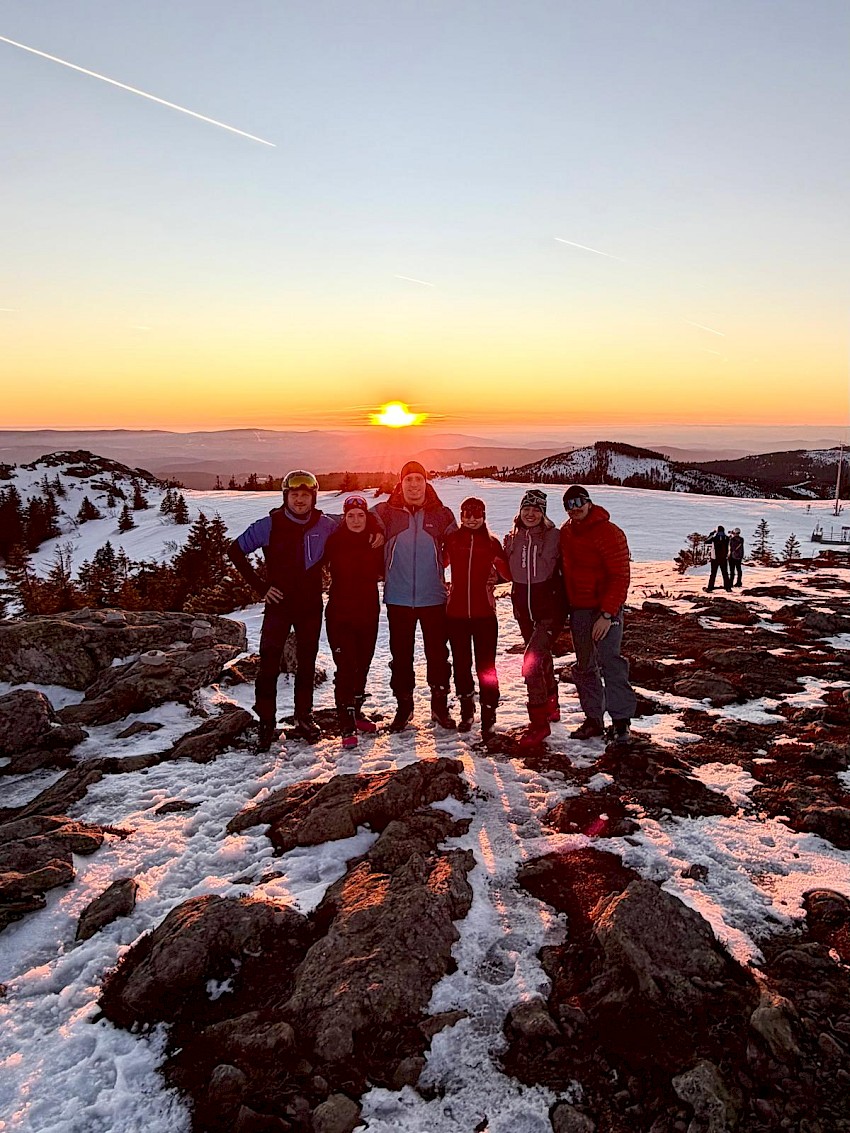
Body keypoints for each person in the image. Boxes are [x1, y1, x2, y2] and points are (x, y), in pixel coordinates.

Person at [227, 470, 355, 751]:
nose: (299, 500)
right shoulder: (269, 525)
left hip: (310, 604)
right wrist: (261, 589)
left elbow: (356, 525)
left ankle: (304, 717)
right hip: (279, 604)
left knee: (306, 662)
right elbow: (235, 550)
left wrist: (378, 535)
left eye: (305, 495)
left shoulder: (326, 524)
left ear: (313, 497)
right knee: (269, 663)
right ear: (286, 496)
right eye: (294, 495)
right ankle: (266, 721)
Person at [371, 461, 458, 732]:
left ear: (425, 482)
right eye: (408, 479)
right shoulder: (385, 512)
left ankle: (439, 707)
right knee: (401, 655)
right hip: (397, 596)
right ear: (401, 483)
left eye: (418, 479)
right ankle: (404, 707)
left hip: (433, 596)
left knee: (438, 654)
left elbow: (456, 546)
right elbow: (358, 522)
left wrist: (440, 568)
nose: (413, 484)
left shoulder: (441, 513)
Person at [559, 484, 637, 746]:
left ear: (589, 502)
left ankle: (621, 723)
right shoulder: (566, 533)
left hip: (605, 610)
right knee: (584, 665)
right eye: (569, 504)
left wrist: (607, 613)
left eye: (579, 501)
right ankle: (593, 719)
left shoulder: (609, 532)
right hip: (579, 609)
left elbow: (619, 576)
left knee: (610, 661)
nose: (576, 507)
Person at [444, 496, 511, 739]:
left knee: (487, 666)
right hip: (456, 614)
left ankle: (489, 713)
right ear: (461, 516)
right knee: (462, 665)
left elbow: (508, 572)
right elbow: (439, 563)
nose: (472, 519)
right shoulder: (452, 540)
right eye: (467, 514)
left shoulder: (491, 543)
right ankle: (466, 709)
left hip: (485, 614)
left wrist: (498, 573)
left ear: (483, 516)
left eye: (476, 514)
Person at [504, 488, 565, 746]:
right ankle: (552, 704)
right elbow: (504, 571)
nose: (531, 514)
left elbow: (570, 567)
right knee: (542, 660)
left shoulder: (555, 537)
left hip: (550, 611)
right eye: (527, 509)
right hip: (524, 611)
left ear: (543, 513)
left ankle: (538, 723)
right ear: (520, 511)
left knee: (530, 663)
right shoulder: (512, 538)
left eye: (536, 509)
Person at [323, 494, 384, 748]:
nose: (356, 520)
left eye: (361, 515)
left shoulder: (375, 541)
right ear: (344, 517)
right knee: (346, 666)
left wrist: (378, 529)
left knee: (363, 663)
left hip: (369, 611)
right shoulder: (334, 541)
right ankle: (345, 722)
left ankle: (357, 711)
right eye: (351, 516)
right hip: (340, 614)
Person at [705, 525, 732, 591]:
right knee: (725, 573)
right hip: (724, 558)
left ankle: (710, 588)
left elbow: (707, 541)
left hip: (715, 558)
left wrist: (712, 533)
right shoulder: (726, 538)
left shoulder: (714, 538)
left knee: (713, 573)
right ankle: (728, 588)